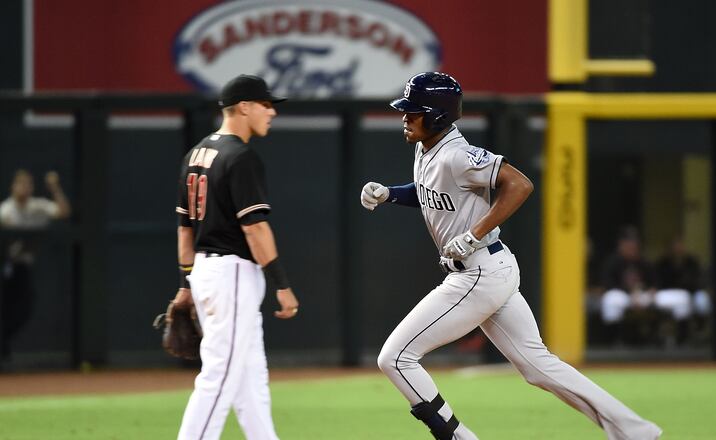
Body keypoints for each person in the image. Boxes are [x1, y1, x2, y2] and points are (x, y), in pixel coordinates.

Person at [361, 72, 661, 440]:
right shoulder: (428, 150)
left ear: (437, 116)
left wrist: (473, 234)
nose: (405, 117)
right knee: (538, 367)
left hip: (478, 273)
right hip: (488, 268)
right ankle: (636, 432)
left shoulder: (457, 154)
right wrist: (390, 194)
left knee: (395, 358)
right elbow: (430, 191)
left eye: (414, 112)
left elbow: (520, 184)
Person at [172, 74, 300, 440]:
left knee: (250, 377)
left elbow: (184, 229)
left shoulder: (196, 154)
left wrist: (186, 283)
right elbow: (255, 229)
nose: (272, 111)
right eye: (266, 104)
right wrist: (282, 285)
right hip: (232, 274)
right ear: (244, 107)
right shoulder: (240, 156)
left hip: (205, 271)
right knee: (221, 375)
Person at [0, 169, 71, 359]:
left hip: (23, 268)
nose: (25, 188)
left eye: (28, 184)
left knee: (25, 308)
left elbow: (63, 211)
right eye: (20, 184)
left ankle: (3, 341)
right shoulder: (6, 209)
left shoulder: (36, 207)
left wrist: (54, 188)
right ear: (12, 187)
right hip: (6, 266)